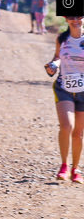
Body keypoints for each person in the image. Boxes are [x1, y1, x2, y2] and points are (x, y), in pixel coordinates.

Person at [45, 15, 84, 182]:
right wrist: (51, 67)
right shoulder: (62, 38)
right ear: (66, 19)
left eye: (79, 16)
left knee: (78, 134)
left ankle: (76, 169)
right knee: (67, 125)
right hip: (64, 88)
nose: (75, 20)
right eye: (71, 17)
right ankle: (64, 166)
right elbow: (57, 58)